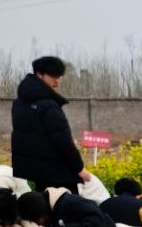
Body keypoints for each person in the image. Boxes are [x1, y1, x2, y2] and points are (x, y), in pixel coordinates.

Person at [12, 56, 91, 194]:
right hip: (58, 173)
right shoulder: (48, 105)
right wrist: (79, 168)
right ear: (39, 74)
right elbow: (63, 141)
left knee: (45, 208)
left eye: (59, 77)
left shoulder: (20, 103)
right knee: (67, 211)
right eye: (53, 76)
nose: (57, 81)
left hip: (38, 172)